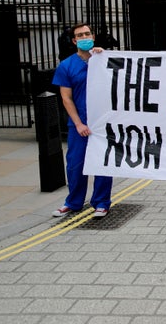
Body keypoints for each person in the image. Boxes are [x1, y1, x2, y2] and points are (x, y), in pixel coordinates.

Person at [51, 23, 112, 219]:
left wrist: (103, 55)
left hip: (102, 123)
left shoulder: (103, 59)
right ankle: (73, 202)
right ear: (74, 41)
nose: (84, 37)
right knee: (75, 165)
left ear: (93, 37)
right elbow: (66, 98)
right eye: (80, 35)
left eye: (87, 33)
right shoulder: (66, 66)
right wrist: (78, 123)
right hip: (80, 124)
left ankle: (101, 203)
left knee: (103, 164)